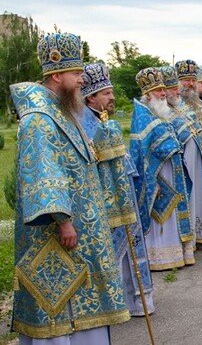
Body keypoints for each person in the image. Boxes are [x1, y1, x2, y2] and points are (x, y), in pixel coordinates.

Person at [10, 32, 130, 342]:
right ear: (57, 75)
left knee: (81, 302)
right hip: (59, 234)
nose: (81, 80)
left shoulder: (61, 112)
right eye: (76, 73)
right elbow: (43, 173)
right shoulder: (39, 118)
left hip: (81, 230)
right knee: (59, 306)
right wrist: (63, 221)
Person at [81, 62, 155, 317]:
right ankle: (115, 303)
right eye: (107, 93)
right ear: (91, 97)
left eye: (111, 92)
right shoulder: (83, 125)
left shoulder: (102, 121)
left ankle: (132, 300)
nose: (112, 97)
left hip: (122, 195)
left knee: (129, 252)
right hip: (105, 200)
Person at [131, 67, 194, 270]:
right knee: (161, 216)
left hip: (172, 171)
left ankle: (176, 253)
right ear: (148, 95)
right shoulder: (143, 117)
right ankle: (160, 257)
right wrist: (152, 180)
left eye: (163, 89)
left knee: (173, 215)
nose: (163, 93)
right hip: (158, 177)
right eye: (158, 91)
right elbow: (142, 155)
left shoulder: (159, 113)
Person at [175, 60, 202, 239]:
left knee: (200, 191)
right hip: (187, 157)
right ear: (178, 82)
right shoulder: (175, 105)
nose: (191, 84)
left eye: (193, 80)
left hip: (201, 156)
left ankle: (200, 230)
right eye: (187, 80)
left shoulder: (198, 104)